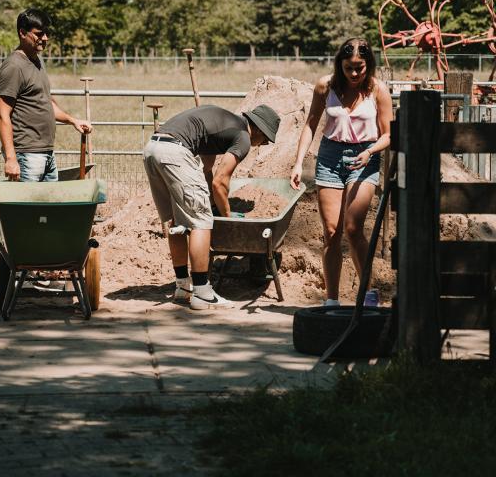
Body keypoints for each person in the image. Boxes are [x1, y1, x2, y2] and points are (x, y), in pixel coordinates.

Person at [143, 103, 280, 311]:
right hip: (175, 152)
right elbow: (220, 181)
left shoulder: (219, 129)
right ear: (259, 129)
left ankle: (183, 287)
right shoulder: (242, 136)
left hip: (153, 148)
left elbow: (207, 171)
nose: (261, 145)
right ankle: (202, 292)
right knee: (200, 222)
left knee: (176, 221)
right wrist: (227, 218)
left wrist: (210, 202)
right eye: (265, 140)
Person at [290, 37, 393, 307]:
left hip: (365, 157)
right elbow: (311, 124)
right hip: (330, 157)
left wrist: (370, 152)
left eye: (360, 67)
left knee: (353, 227)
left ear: (368, 65)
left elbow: (388, 135)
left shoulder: (378, 90)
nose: (355, 74)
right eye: (349, 68)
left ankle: (368, 294)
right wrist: (299, 162)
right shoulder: (326, 86)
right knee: (332, 231)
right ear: (340, 65)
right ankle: (332, 300)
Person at [0, 9, 91, 182]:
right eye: (39, 34)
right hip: (26, 154)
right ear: (22, 33)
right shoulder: (14, 66)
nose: (45, 38)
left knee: (47, 208)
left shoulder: (37, 61)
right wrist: (11, 158)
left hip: (46, 153)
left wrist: (73, 121)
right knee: (26, 208)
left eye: (47, 33)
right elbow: (2, 115)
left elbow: (45, 103)